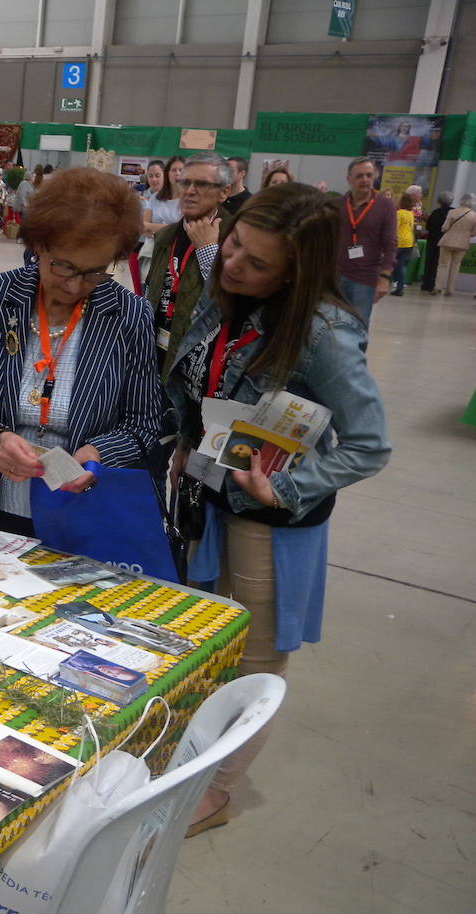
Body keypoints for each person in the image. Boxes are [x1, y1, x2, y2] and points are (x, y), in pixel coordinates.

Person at [166, 184, 390, 834]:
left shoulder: (323, 332)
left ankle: (218, 789)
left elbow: (371, 444)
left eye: (257, 262)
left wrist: (289, 486)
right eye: (234, 243)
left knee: (257, 655)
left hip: (270, 520)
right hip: (210, 492)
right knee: (211, 635)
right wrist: (185, 442)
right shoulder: (227, 293)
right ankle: (193, 759)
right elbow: (200, 379)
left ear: (296, 270)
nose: (233, 263)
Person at [0, 167, 164, 535]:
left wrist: (99, 453)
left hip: (79, 513)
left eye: (93, 272)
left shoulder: (128, 315)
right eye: (62, 266)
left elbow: (143, 423)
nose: (73, 284)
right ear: (39, 245)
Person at [145, 153, 231, 373]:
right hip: (156, 349)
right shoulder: (167, 236)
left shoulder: (234, 237)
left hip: (201, 361)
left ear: (224, 192)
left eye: (201, 184)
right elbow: (153, 289)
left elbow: (230, 301)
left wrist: (208, 250)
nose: (190, 191)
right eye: (185, 182)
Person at [332, 157, 395, 326]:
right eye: (359, 176)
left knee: (357, 328)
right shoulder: (336, 205)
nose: (365, 180)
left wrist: (384, 277)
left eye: (369, 175)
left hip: (365, 279)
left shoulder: (385, 206)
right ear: (349, 179)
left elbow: (391, 243)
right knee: (331, 327)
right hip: (334, 278)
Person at [436, 193, 476, 296]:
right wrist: (465, 234)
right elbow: (473, 233)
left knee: (442, 265)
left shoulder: (452, 212)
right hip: (462, 243)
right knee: (455, 266)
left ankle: (438, 287)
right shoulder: (474, 215)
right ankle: (450, 290)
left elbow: (444, 227)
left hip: (447, 241)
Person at [420, 190, 453, 294]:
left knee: (430, 262)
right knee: (440, 264)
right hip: (446, 241)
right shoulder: (453, 213)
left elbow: (428, 227)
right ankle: (436, 284)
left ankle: (426, 284)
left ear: (439, 201)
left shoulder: (435, 212)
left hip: (432, 240)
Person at [392, 193, 416, 296]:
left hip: (399, 241)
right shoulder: (411, 213)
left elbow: (395, 227)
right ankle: (400, 287)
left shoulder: (399, 213)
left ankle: (392, 281)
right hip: (409, 241)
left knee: (390, 263)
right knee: (402, 266)